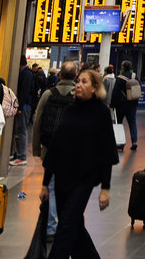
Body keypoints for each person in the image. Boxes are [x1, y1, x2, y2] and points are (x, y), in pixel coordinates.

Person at [40, 68, 117, 259]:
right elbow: (56, 148)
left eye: (84, 82)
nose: (79, 85)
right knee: (75, 225)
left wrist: (105, 188)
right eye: (79, 81)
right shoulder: (70, 110)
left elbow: (107, 152)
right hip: (62, 176)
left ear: (95, 88)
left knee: (66, 224)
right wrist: (44, 183)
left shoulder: (102, 113)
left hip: (85, 177)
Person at [32, 61, 79, 240]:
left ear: (60, 76)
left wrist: (37, 149)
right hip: (72, 152)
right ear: (75, 76)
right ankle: (67, 225)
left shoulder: (48, 94)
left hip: (50, 149)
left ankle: (50, 227)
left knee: (50, 187)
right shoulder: (79, 95)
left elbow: (38, 122)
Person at [13, 61, 41, 164]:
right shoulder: (28, 73)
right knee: (20, 130)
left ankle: (21, 156)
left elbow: (24, 91)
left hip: (24, 106)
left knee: (21, 130)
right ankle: (18, 154)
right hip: (26, 105)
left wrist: (20, 107)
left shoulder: (26, 74)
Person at [109, 65, 141, 151]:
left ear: (122, 67)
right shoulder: (135, 76)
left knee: (119, 123)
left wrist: (112, 104)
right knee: (132, 122)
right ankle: (134, 141)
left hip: (121, 104)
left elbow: (115, 92)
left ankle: (120, 144)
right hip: (133, 103)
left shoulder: (120, 78)